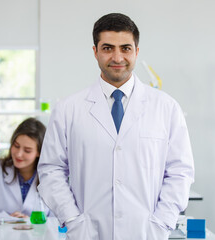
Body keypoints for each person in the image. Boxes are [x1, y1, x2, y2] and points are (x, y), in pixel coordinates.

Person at [37, 13, 194, 240]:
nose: (117, 57)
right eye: (108, 48)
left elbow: (180, 173)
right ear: (95, 52)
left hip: (147, 233)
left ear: (137, 51)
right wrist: (72, 221)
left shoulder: (166, 108)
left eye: (126, 48)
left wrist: (161, 223)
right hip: (88, 232)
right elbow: (51, 171)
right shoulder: (68, 109)